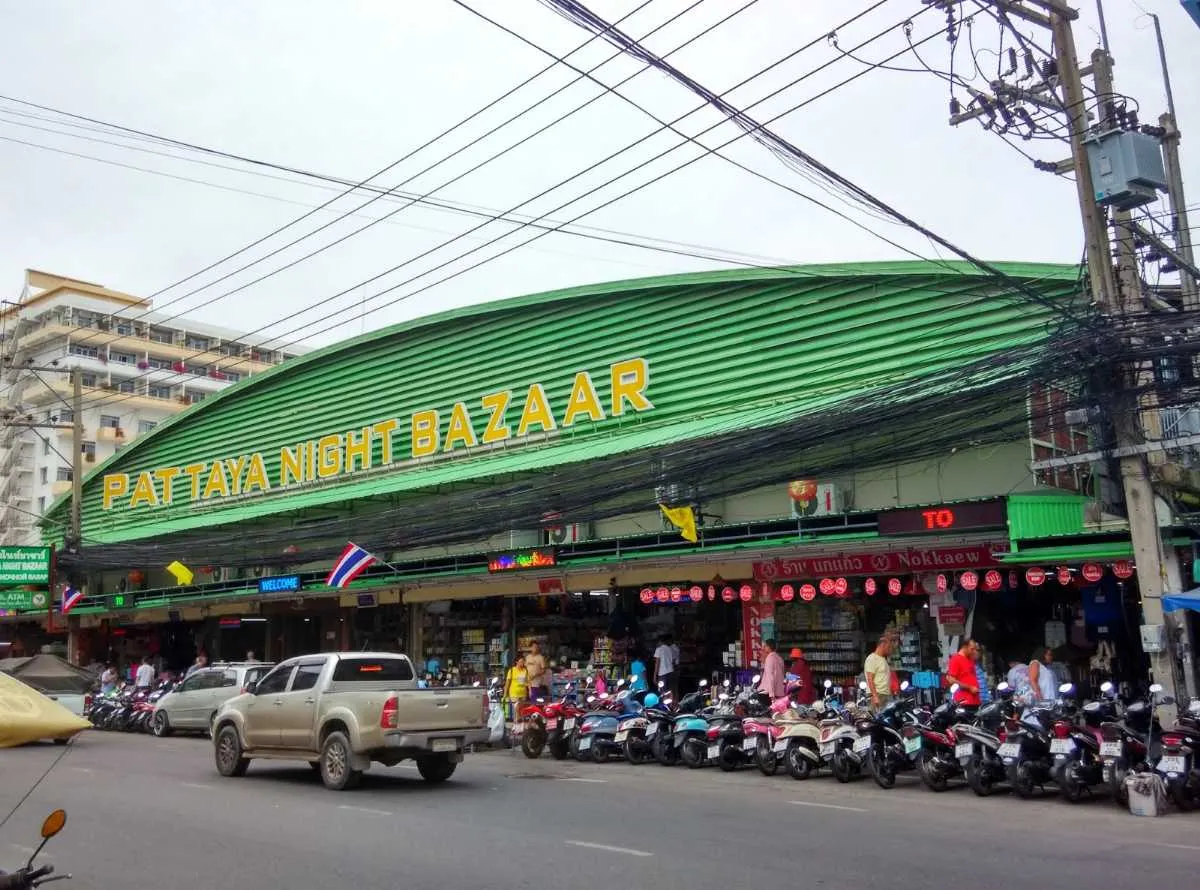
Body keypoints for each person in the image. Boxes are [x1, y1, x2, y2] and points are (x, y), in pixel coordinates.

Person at [946, 639, 982, 707]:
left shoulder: (970, 660)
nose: (973, 651)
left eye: (975, 649)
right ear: (965, 647)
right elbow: (951, 680)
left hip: (975, 701)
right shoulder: (955, 659)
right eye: (972, 649)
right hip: (964, 701)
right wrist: (969, 688)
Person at [863, 636, 894, 711]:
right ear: (882, 645)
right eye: (888, 647)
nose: (890, 649)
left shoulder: (883, 659)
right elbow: (870, 678)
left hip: (885, 694)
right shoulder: (872, 659)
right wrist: (875, 696)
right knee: (876, 718)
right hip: (878, 694)